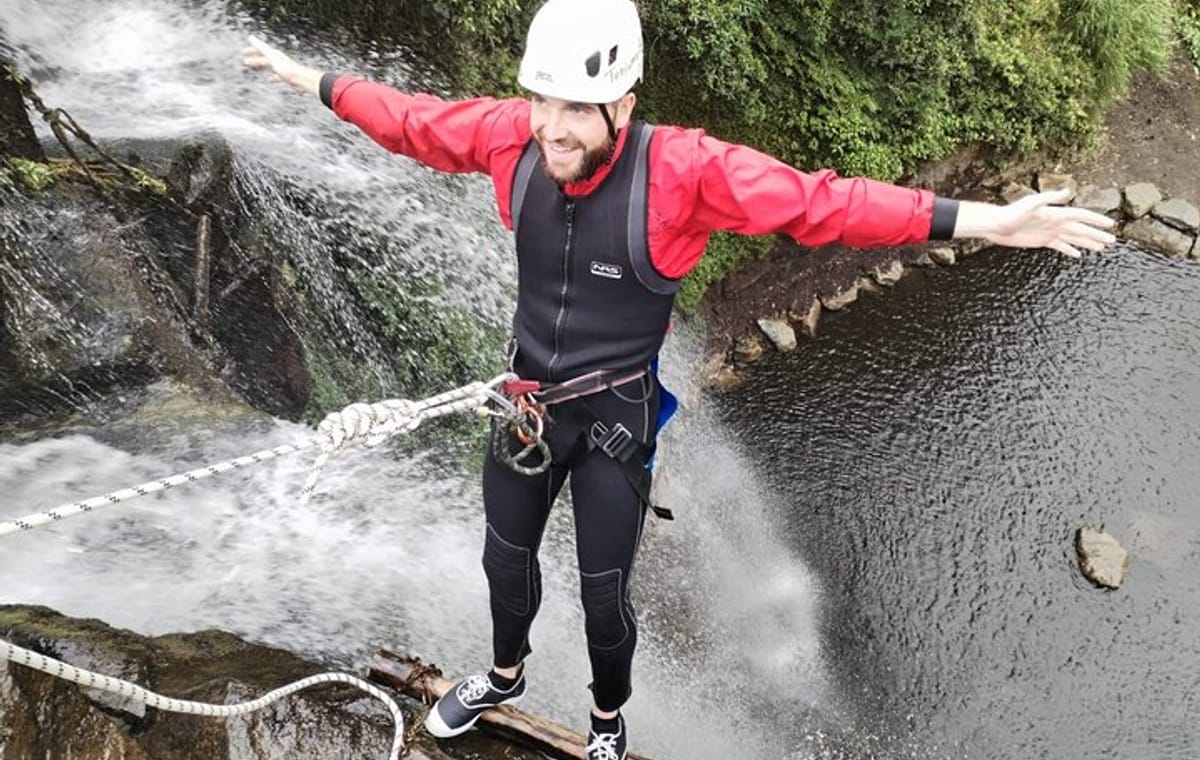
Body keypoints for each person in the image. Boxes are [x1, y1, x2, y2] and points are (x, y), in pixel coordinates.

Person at [243, 1, 1115, 757]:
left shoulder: (684, 172)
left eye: (575, 111)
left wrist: (986, 220)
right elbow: (414, 121)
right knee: (503, 563)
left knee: (602, 594)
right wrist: (311, 79)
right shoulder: (516, 136)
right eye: (542, 101)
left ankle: (607, 720)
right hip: (528, 407)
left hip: (615, 420)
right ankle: (503, 676)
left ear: (622, 106)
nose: (552, 126)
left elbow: (825, 202)